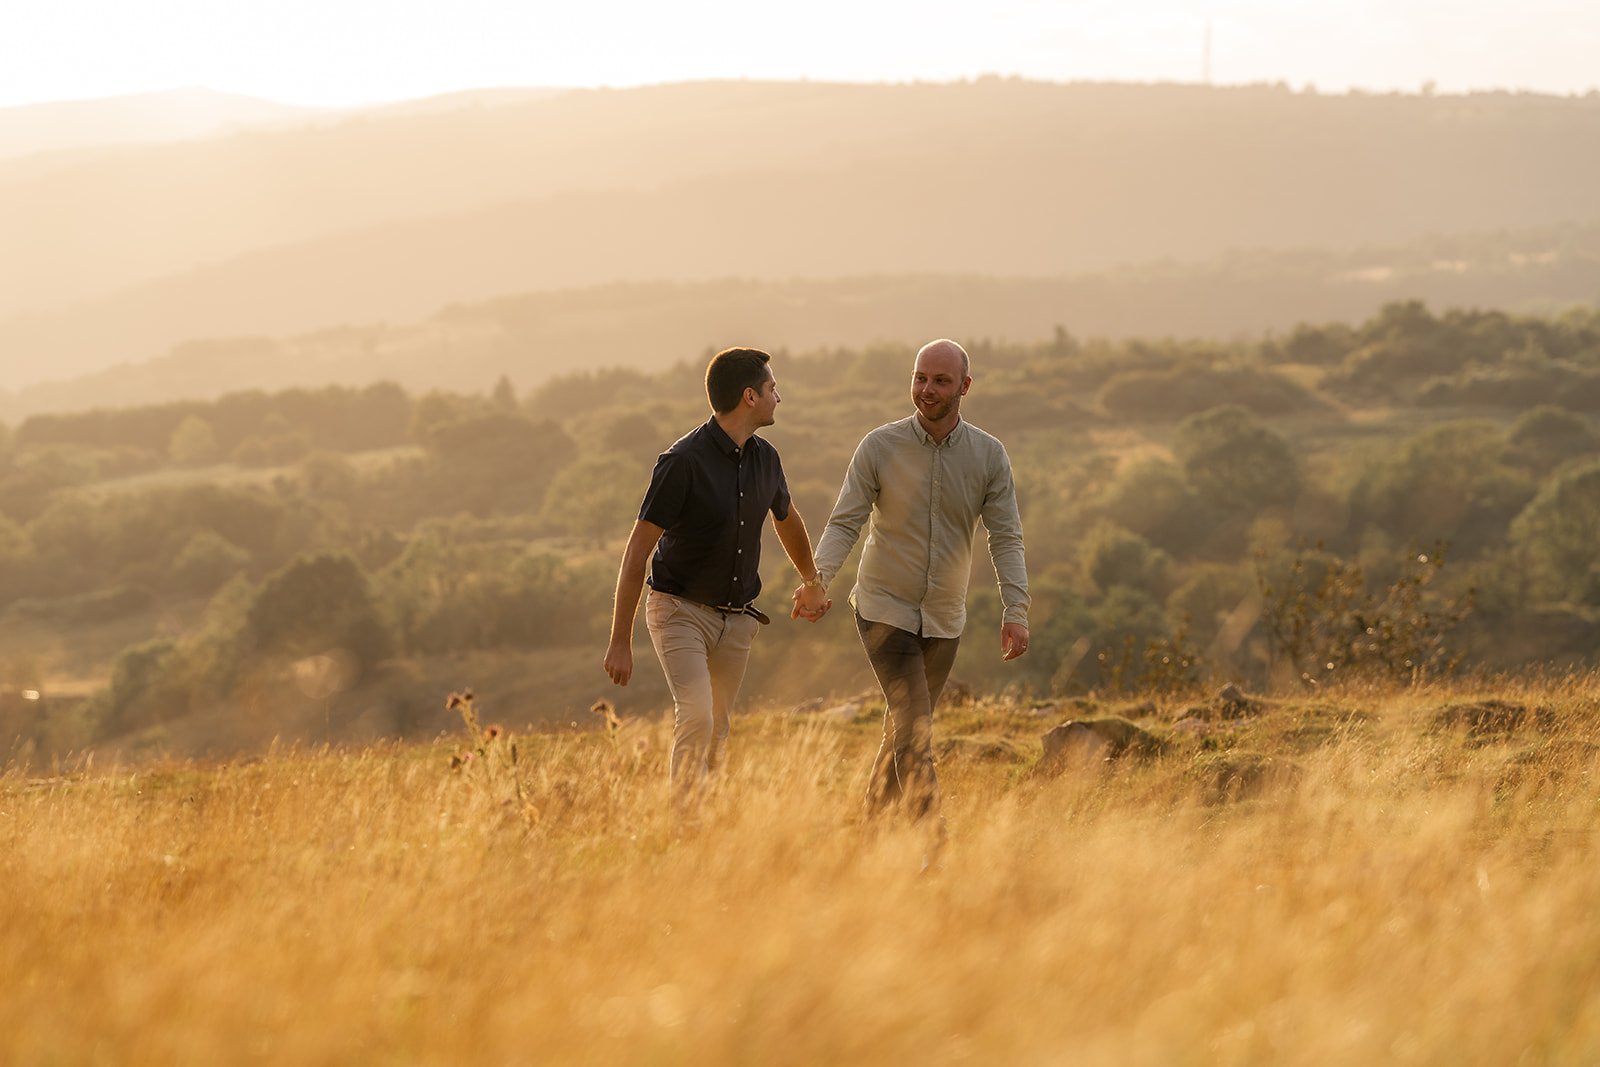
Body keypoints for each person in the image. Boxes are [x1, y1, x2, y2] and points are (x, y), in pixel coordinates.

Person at [799, 338, 1030, 822]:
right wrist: (817, 579)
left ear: (964, 386)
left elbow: (1005, 537)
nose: (926, 389)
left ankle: (870, 836)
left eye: (940, 380)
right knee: (916, 730)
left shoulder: (989, 456)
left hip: (945, 618)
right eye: (919, 377)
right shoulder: (879, 446)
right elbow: (846, 522)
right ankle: (932, 843)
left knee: (901, 732)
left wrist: (1016, 611)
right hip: (883, 609)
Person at [604, 347, 826, 789]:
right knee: (697, 714)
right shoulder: (682, 463)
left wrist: (812, 581)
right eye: (772, 389)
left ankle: (706, 825)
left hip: (738, 618)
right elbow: (636, 555)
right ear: (749, 396)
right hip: (679, 610)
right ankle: (685, 823)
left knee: (717, 730)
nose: (778, 397)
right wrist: (620, 642)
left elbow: (788, 521)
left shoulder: (767, 459)